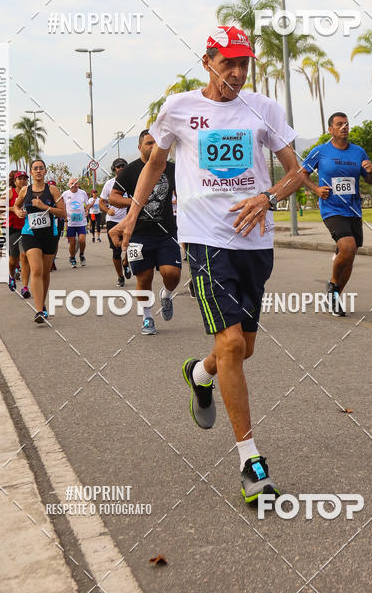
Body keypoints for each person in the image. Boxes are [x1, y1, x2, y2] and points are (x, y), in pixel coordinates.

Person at [110, 25, 302, 503]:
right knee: (233, 343)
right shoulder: (178, 107)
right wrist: (132, 215)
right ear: (208, 61)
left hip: (255, 242)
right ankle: (250, 461)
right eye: (228, 62)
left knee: (242, 350)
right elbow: (155, 163)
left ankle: (200, 374)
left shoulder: (264, 108)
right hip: (204, 240)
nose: (236, 72)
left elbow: (296, 171)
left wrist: (268, 196)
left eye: (244, 64)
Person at [299, 112, 372, 315]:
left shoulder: (358, 152)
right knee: (348, 246)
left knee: (349, 255)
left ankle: (335, 296)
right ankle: (333, 283)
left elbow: (371, 181)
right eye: (339, 124)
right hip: (331, 208)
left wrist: (370, 171)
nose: (344, 127)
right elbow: (302, 175)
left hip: (353, 209)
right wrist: (316, 189)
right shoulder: (320, 151)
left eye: (346, 124)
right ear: (330, 129)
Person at [109, 131, 181, 336]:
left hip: (167, 232)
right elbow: (114, 197)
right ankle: (147, 317)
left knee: (172, 274)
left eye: (157, 143)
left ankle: (166, 294)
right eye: (149, 143)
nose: (154, 146)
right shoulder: (130, 171)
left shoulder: (172, 168)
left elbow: (182, 193)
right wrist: (134, 202)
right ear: (140, 147)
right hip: (138, 234)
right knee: (144, 276)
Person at [12, 159, 65, 323]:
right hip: (30, 234)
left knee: (45, 273)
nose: (38, 171)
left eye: (41, 168)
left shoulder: (53, 190)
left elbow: (63, 213)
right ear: (31, 172)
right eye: (35, 168)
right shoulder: (25, 190)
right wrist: (18, 212)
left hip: (50, 234)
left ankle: (41, 303)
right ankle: (39, 310)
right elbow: (15, 206)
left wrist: (44, 207)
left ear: (45, 171)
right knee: (36, 269)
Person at [100, 159, 130, 287]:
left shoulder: (131, 182)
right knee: (116, 251)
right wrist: (108, 210)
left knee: (131, 246)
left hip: (128, 219)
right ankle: (120, 276)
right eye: (118, 167)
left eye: (123, 166)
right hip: (113, 221)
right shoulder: (109, 184)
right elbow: (101, 202)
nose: (121, 168)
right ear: (114, 169)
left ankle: (126, 263)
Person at [8, 171, 31, 295]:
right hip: (13, 228)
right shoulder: (10, 192)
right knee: (14, 258)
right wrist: (14, 209)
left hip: (27, 228)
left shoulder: (30, 191)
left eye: (25, 179)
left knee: (25, 256)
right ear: (15, 181)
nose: (22, 181)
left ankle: (25, 286)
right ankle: (11, 275)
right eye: (20, 179)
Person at [61, 178, 89, 267]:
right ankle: (72, 257)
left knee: (82, 240)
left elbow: (87, 204)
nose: (74, 185)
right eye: (72, 183)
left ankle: (81, 255)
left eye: (76, 183)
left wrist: (87, 209)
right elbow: (63, 207)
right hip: (70, 223)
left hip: (81, 222)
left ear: (78, 184)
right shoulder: (65, 194)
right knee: (72, 242)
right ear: (69, 184)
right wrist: (65, 217)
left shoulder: (82, 193)